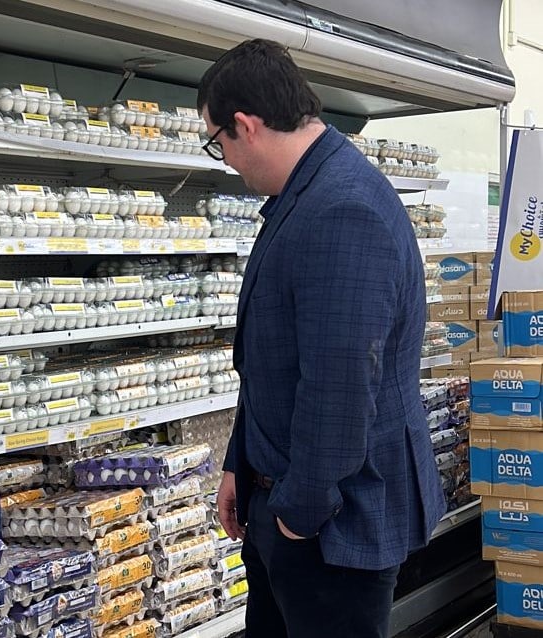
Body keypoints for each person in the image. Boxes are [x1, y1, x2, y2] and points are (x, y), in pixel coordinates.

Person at [197, 39, 445, 638]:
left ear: (246, 126)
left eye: (217, 142)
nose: (225, 160)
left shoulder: (341, 207)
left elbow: (339, 385)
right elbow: (273, 360)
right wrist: (241, 463)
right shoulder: (303, 194)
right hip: (288, 504)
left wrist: (297, 518)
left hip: (332, 527)